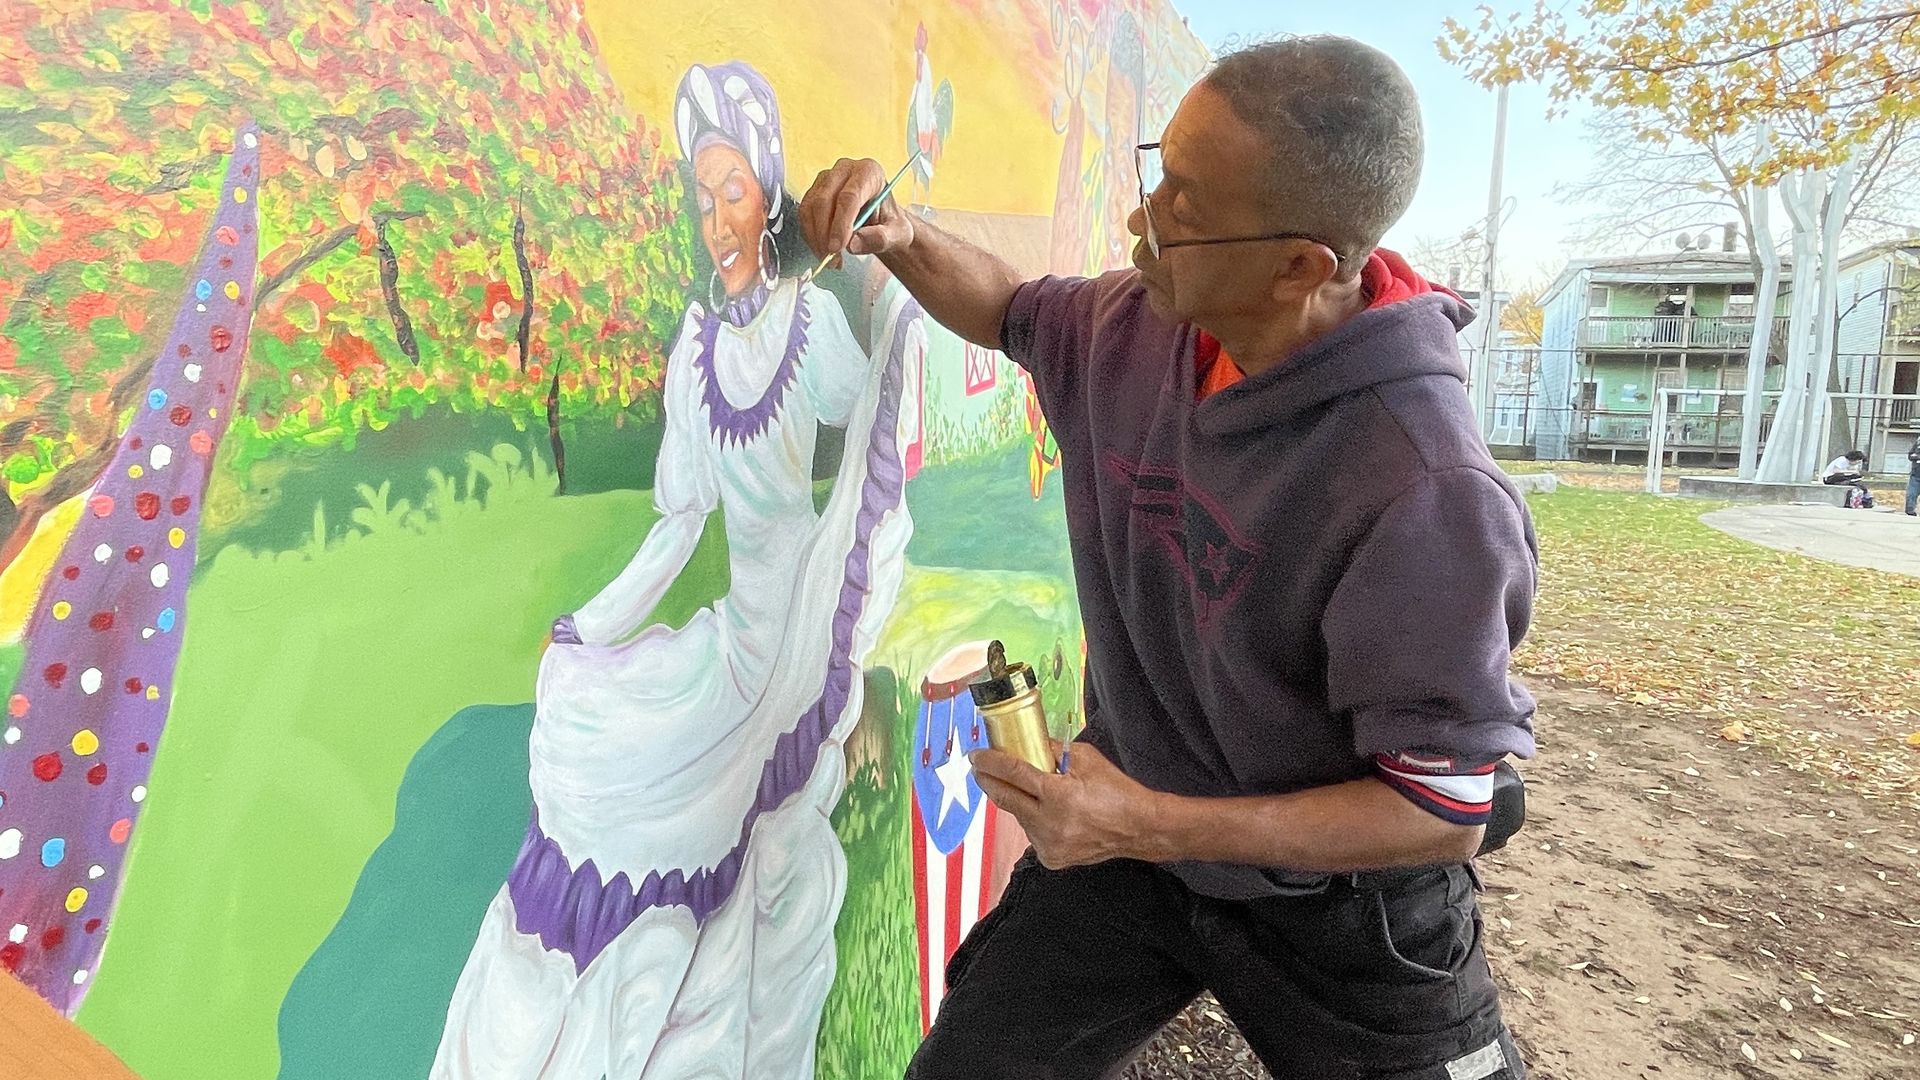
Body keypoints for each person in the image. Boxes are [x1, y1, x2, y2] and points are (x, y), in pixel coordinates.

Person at [802, 34, 1535, 1080]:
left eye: (1186, 206)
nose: (1142, 220)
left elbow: (1442, 808)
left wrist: (1143, 818)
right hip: (1134, 853)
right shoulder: (1134, 328)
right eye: (1159, 174)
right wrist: (899, 234)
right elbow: (1011, 309)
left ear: (1300, 266)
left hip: (1340, 899)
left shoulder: (1423, 487)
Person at [434, 61, 920, 1079]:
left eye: (732, 190)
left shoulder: (809, 323)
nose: (713, 215)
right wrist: (590, 630)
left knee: (713, 821)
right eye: (700, 195)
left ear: (769, 189)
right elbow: (679, 518)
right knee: (595, 740)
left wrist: (892, 267)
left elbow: (864, 410)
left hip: (791, 636)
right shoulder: (693, 345)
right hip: (733, 634)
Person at [1906, 436, 1920, 516]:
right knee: (1912, 494)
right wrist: (1917, 457)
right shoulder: (1918, 441)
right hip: (1916, 474)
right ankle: (1910, 510)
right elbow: (1910, 455)